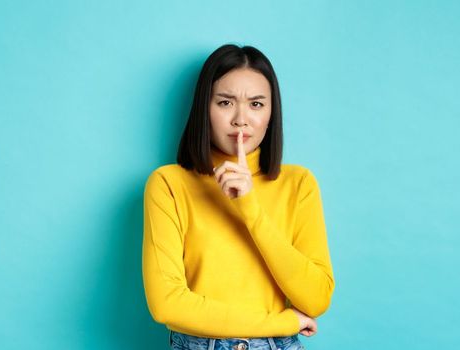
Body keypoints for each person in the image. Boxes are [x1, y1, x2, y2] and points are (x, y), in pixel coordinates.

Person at [142, 44, 335, 350]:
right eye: (225, 102)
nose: (241, 119)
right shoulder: (168, 184)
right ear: (204, 108)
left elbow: (316, 297)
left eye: (256, 104)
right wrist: (284, 322)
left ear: (272, 113)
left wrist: (250, 209)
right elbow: (166, 304)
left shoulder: (299, 184)